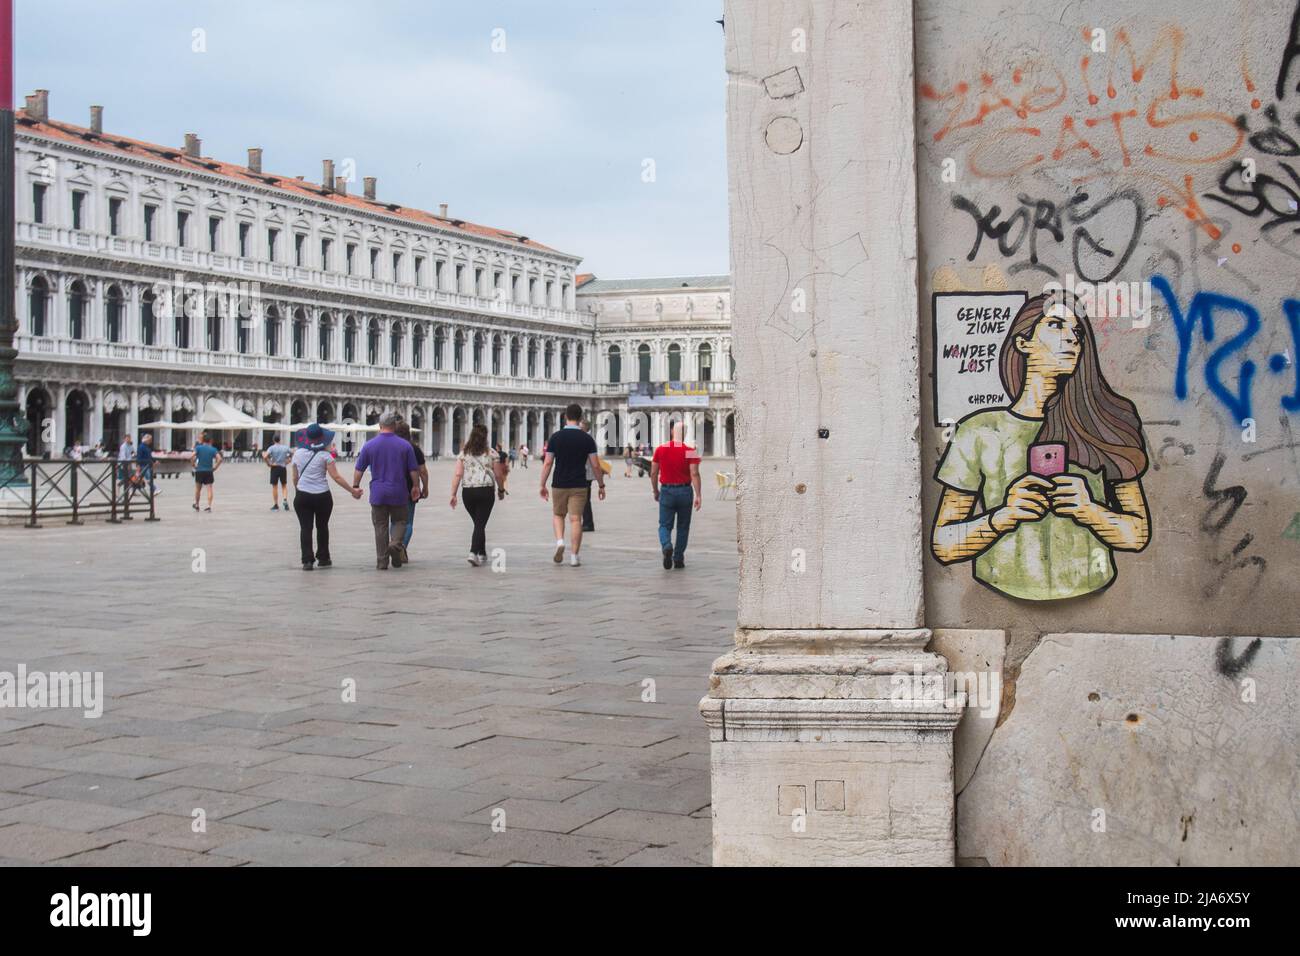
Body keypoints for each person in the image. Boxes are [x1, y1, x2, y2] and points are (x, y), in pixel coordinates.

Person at [931, 291, 1151, 601]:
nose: (1072, 339)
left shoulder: (1105, 423)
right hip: (998, 591)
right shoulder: (979, 431)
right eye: (1056, 326)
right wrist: (1004, 516)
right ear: (1023, 343)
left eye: (1077, 332)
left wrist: (1089, 511)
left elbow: (1137, 534)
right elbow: (944, 543)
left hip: (1091, 589)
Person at [539, 403, 605, 567]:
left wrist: (542, 484)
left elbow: (547, 463)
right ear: (581, 418)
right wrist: (601, 485)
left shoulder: (555, 437)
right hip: (579, 484)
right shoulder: (587, 438)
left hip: (559, 483)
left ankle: (560, 541)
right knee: (576, 519)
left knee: (558, 515)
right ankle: (574, 556)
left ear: (565, 417)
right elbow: (595, 465)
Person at [353, 411, 421, 570]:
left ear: (379, 425)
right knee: (400, 521)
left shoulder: (369, 445)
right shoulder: (405, 445)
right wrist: (416, 486)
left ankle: (382, 561)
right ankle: (395, 544)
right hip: (399, 491)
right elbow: (413, 469)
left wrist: (355, 486)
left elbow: (359, 469)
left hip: (378, 492)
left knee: (380, 526)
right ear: (395, 426)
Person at [292, 424, 362, 570]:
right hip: (322, 496)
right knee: (322, 527)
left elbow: (294, 477)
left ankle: (307, 561)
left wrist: (299, 490)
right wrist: (352, 490)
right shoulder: (326, 456)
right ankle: (323, 558)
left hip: (302, 495)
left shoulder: (297, 454)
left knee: (305, 528)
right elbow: (336, 477)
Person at [651, 421, 703, 569]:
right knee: (683, 527)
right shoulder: (690, 451)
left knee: (664, 525)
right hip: (685, 491)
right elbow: (695, 473)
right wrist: (698, 495)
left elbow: (653, 473)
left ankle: (667, 545)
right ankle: (678, 558)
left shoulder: (661, 450)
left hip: (666, 491)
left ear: (672, 432)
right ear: (684, 433)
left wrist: (655, 490)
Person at [450, 424, 502, 566]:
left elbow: (458, 474)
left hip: (468, 492)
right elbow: (498, 475)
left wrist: (453, 494)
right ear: (485, 437)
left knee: (478, 523)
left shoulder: (463, 454)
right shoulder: (492, 453)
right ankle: (473, 552)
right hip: (485, 491)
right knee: (480, 523)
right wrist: (501, 490)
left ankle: (482, 552)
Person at [391, 420, 428, 561]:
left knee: (394, 521)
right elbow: (423, 471)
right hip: (410, 489)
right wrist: (425, 487)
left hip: (392, 488)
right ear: (409, 433)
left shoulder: (390, 447)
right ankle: (401, 547)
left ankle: (394, 543)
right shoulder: (414, 448)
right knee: (407, 522)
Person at [190, 433, 222, 512]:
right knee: (209, 488)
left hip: (199, 471)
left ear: (202, 440)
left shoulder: (198, 448)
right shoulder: (213, 449)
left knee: (198, 489)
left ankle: (197, 504)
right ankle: (209, 506)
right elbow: (220, 459)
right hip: (209, 471)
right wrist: (215, 467)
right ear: (210, 441)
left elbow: (192, 456)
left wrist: (193, 465)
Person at [263, 438, 292, 512]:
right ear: (280, 440)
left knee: (275, 486)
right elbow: (293, 453)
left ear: (273, 440)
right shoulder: (285, 447)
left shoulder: (271, 448)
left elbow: (265, 456)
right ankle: (285, 499)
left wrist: (269, 463)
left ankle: (276, 505)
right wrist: (288, 460)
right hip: (283, 467)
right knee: (284, 485)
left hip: (275, 468)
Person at [135, 433, 158, 498]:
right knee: (148, 478)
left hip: (146, 465)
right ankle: (154, 489)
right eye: (150, 440)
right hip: (143, 465)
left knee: (138, 479)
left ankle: (132, 490)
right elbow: (139, 457)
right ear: (146, 439)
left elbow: (149, 456)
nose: (151, 441)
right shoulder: (141, 447)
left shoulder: (147, 447)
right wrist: (138, 465)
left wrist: (154, 461)